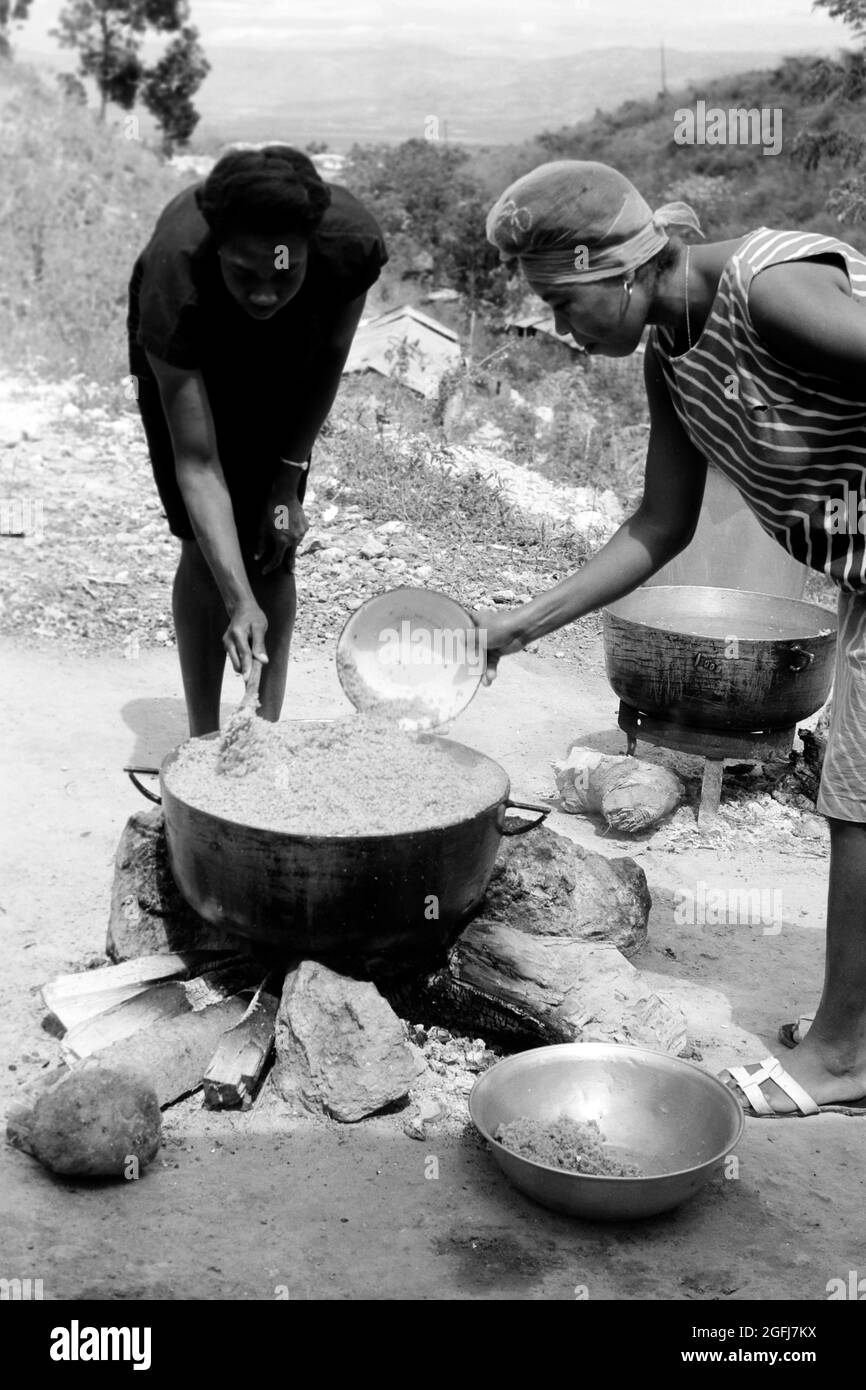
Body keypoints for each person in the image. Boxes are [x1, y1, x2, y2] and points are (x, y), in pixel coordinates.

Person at [481, 159, 866, 1118]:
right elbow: (661, 523)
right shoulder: (674, 356)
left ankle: (847, 1055)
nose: (565, 332)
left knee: (858, 797)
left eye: (567, 305)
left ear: (620, 266)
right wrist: (520, 626)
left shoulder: (769, 289)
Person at [127, 145, 387, 733]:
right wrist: (235, 600)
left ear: (309, 250)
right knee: (204, 545)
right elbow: (197, 462)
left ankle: (260, 735)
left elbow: (328, 359)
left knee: (273, 537)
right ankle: (203, 737)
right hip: (197, 340)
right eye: (246, 274)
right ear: (218, 249)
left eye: (283, 272)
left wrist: (286, 479)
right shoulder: (176, 283)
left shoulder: (348, 248)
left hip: (296, 340)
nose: (265, 292)